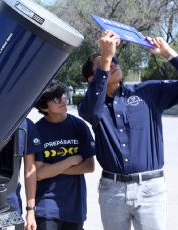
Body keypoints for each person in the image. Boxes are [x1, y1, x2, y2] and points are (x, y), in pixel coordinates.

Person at [78, 30, 178, 230]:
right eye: (105, 63)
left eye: (114, 59)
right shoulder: (89, 105)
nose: (112, 62)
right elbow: (92, 111)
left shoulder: (148, 92)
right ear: (92, 79)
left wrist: (169, 54)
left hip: (151, 189)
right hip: (112, 190)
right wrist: (104, 57)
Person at [25, 79, 95, 230]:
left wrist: (51, 169)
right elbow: (37, 174)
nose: (62, 99)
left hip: (75, 207)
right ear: (44, 107)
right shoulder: (37, 130)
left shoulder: (79, 126)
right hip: (46, 206)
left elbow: (90, 166)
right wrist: (71, 160)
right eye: (56, 98)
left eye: (62, 95)